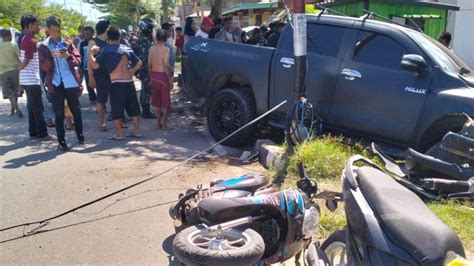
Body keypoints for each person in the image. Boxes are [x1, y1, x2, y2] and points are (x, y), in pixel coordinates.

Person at [38, 17, 84, 151]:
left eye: (58, 31)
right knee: (59, 114)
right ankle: (62, 141)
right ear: (48, 31)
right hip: (55, 83)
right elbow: (44, 68)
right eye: (53, 31)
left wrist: (68, 56)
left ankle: (80, 136)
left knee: (76, 110)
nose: (56, 34)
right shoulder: (43, 46)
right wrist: (51, 57)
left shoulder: (67, 43)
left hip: (70, 81)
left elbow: (78, 61)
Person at [90, 26, 142, 140]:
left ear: (108, 38)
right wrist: (133, 71)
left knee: (116, 108)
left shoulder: (106, 50)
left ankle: (119, 134)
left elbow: (95, 65)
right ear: (119, 37)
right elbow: (139, 62)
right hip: (128, 81)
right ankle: (137, 131)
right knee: (133, 107)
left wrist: (90, 54)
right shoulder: (126, 48)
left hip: (116, 82)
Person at [19, 15, 55, 141]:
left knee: (31, 107)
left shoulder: (24, 38)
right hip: (31, 78)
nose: (38, 27)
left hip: (26, 79)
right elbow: (27, 60)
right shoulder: (30, 40)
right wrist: (19, 68)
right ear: (29, 26)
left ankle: (33, 132)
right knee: (38, 107)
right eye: (36, 24)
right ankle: (43, 133)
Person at [88, 19, 111, 131]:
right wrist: (91, 77)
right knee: (101, 100)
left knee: (114, 98)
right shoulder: (93, 43)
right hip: (99, 75)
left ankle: (119, 120)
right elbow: (89, 61)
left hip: (110, 74)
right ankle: (102, 122)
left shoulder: (108, 42)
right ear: (105, 29)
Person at [148, 30, 173, 130]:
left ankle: (158, 122)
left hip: (154, 76)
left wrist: (151, 76)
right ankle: (165, 124)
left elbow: (149, 64)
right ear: (165, 38)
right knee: (165, 103)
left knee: (157, 101)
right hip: (163, 76)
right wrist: (170, 79)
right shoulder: (166, 49)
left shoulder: (151, 49)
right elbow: (166, 64)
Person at [134, 18, 156, 119]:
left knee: (145, 90)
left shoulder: (143, 39)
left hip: (143, 69)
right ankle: (146, 112)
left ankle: (145, 110)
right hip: (145, 69)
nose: (152, 30)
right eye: (151, 28)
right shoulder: (145, 40)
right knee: (146, 90)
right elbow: (145, 57)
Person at [0, 29, 22, 117]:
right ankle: (14, 109)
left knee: (7, 92)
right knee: (14, 90)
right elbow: (20, 57)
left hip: (3, 72)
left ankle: (15, 108)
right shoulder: (14, 45)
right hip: (16, 71)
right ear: (9, 35)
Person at [79, 26, 96, 104]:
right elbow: (80, 55)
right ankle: (92, 98)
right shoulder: (82, 43)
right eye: (85, 34)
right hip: (86, 66)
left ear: (92, 33)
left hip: (96, 65)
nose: (86, 35)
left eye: (88, 33)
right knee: (88, 82)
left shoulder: (96, 42)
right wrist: (81, 65)